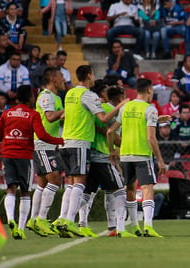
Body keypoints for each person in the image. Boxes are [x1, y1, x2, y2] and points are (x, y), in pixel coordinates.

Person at [55, 65, 125, 237]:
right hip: (80, 141)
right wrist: (121, 106)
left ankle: (63, 219)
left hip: (66, 141)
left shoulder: (70, 93)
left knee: (74, 184)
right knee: (80, 183)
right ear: (88, 75)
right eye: (93, 74)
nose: (94, 77)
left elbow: (64, 115)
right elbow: (103, 118)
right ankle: (69, 221)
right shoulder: (88, 95)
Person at [0, 85, 64, 240]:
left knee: (10, 189)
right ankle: (20, 228)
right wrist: (60, 140)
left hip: (7, 155)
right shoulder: (32, 115)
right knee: (25, 192)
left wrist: (10, 136)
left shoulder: (6, 114)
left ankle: (10, 218)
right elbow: (42, 135)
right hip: (24, 156)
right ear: (31, 98)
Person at [107, 78, 170, 237]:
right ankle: (148, 226)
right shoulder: (150, 109)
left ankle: (124, 227)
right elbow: (151, 138)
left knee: (128, 189)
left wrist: (111, 151)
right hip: (142, 154)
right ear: (149, 90)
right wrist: (161, 160)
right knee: (147, 188)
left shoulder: (126, 107)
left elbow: (110, 132)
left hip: (125, 155)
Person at [78, 84, 128, 238]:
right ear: (120, 98)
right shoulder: (109, 110)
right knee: (119, 191)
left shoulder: (99, 109)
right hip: (102, 157)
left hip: (92, 157)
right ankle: (119, 228)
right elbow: (110, 133)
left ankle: (68, 219)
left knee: (87, 193)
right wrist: (126, 144)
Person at [26, 67, 65, 237]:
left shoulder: (55, 97)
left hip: (47, 144)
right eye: (61, 76)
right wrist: (67, 110)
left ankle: (34, 219)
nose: (64, 79)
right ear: (53, 79)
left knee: (42, 184)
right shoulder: (46, 96)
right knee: (54, 181)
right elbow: (49, 117)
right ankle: (41, 218)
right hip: (43, 144)